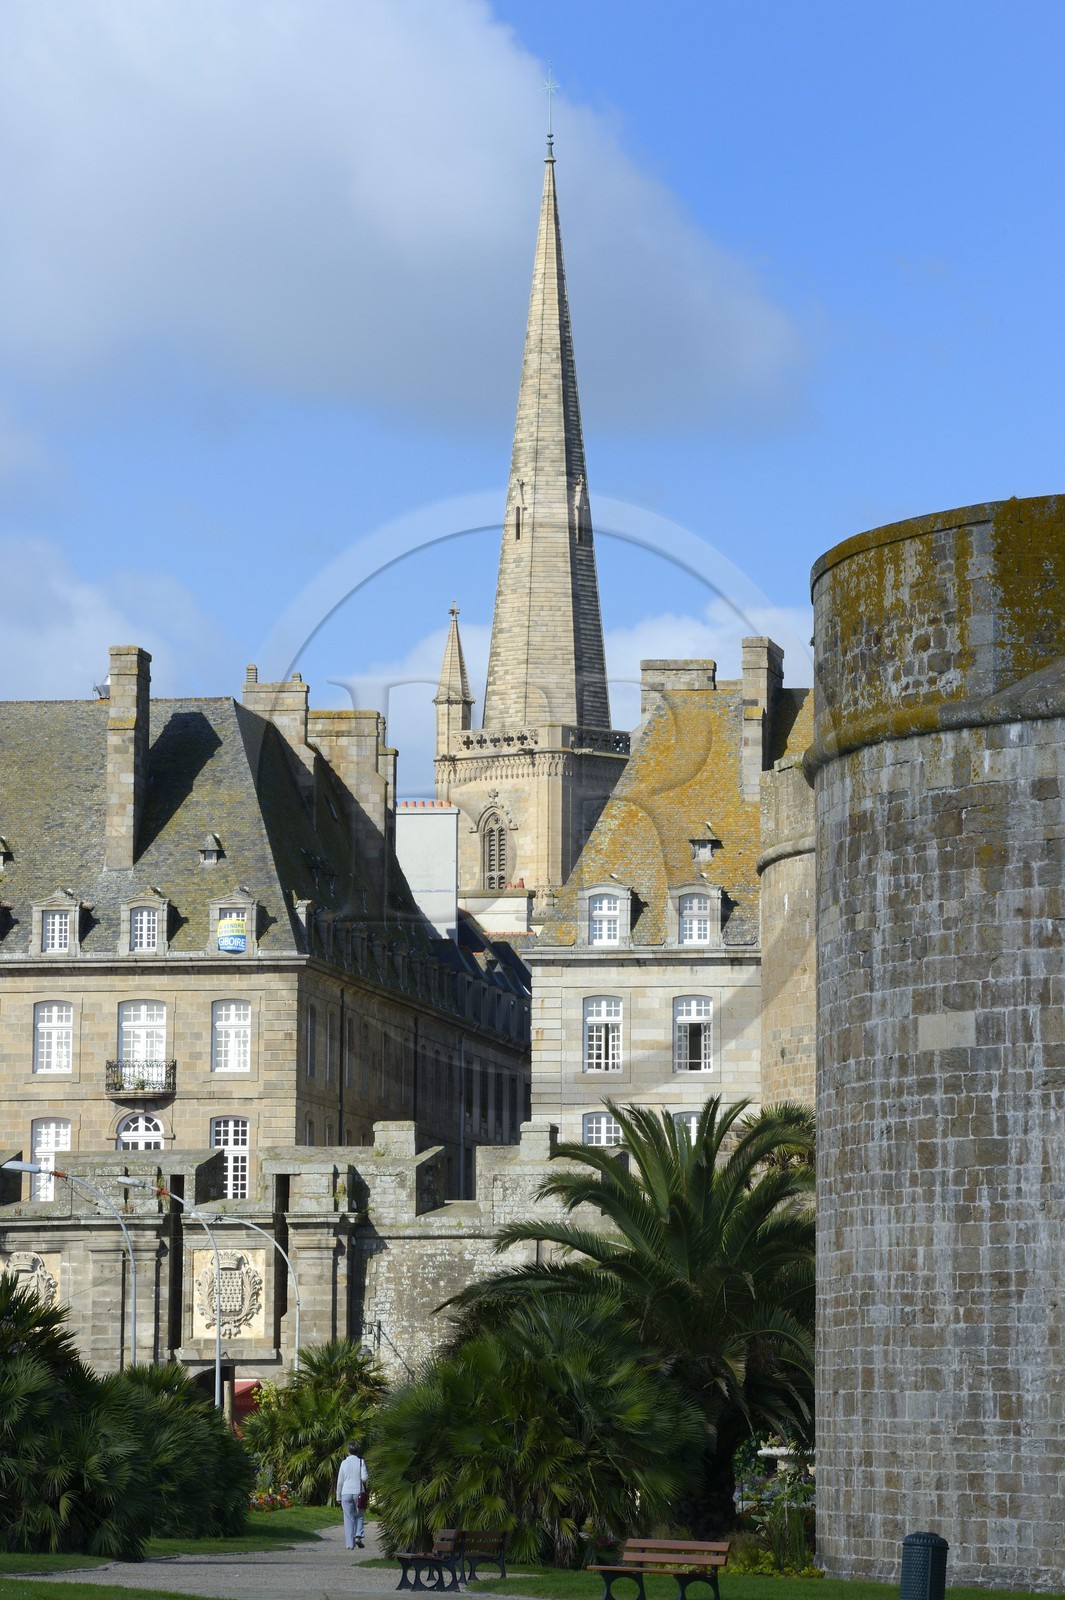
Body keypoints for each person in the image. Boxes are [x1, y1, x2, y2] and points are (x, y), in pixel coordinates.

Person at [335, 1440, 368, 1551]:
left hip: (346, 1492)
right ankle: (358, 1535)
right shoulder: (361, 1462)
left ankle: (350, 1544)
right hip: (358, 1492)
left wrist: (338, 1496)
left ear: (348, 1451)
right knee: (359, 1515)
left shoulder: (344, 1463)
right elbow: (364, 1478)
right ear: (357, 1451)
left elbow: (340, 1481)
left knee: (348, 1518)